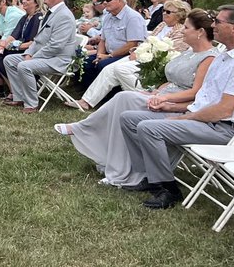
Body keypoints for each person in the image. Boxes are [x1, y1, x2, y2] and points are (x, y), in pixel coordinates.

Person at [54, 9, 218, 187]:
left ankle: (91, 135)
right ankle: (107, 154)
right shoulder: (189, 52)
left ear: (200, 32)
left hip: (178, 103)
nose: (182, 30)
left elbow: (195, 92)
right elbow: (172, 80)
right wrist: (156, 92)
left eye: (186, 27)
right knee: (123, 100)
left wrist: (164, 99)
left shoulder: (209, 57)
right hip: (162, 95)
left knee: (125, 101)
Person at [118, 5, 234, 209]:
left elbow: (223, 110)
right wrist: (170, 106)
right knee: (128, 118)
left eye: (218, 22)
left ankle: (168, 188)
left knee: (148, 128)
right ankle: (150, 176)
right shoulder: (223, 57)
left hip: (221, 129)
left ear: (233, 28)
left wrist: (184, 118)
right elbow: (202, 98)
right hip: (201, 118)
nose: (213, 25)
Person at [70, 0, 190, 111]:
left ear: (179, 15)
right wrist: (137, 51)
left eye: (168, 12)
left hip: (155, 63)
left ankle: (144, 100)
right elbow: (147, 42)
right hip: (141, 56)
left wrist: (141, 53)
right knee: (109, 69)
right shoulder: (162, 25)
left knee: (118, 70)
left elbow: (171, 53)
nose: (164, 13)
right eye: (163, 10)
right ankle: (86, 101)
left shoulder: (181, 31)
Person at [1, 0, 77, 112]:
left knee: (24, 66)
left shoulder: (64, 15)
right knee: (9, 60)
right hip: (45, 56)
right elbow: (38, 40)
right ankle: (19, 97)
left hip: (58, 59)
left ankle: (31, 104)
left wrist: (33, 57)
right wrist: (28, 54)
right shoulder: (51, 13)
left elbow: (56, 46)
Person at [80, 0, 146, 90]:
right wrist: (99, 55)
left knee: (103, 65)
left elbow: (132, 44)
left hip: (127, 54)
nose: (104, 3)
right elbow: (103, 40)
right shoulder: (108, 17)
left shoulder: (133, 17)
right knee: (85, 61)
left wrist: (109, 56)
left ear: (120, 0)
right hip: (107, 52)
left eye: (108, 0)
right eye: (104, 0)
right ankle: (90, 90)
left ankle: (109, 95)